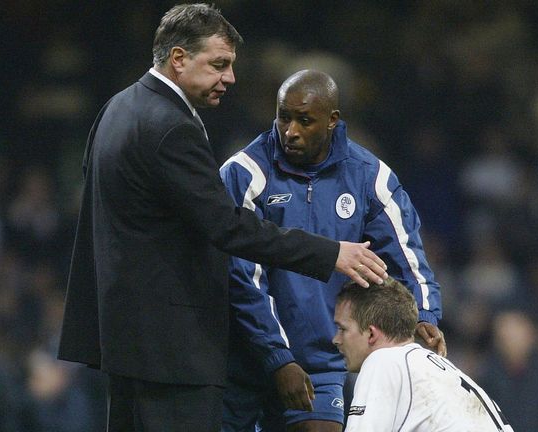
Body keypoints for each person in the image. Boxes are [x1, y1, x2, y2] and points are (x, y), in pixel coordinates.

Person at [56, 5, 387, 432]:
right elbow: (227, 226)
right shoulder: (171, 126)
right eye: (219, 64)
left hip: (125, 343)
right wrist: (329, 253)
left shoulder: (117, 108)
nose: (229, 78)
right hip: (174, 351)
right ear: (179, 59)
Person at [220, 69, 445, 432]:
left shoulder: (369, 177)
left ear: (331, 121)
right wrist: (278, 359)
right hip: (240, 359)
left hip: (322, 361)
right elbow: (242, 278)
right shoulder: (244, 174)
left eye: (304, 120)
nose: (290, 131)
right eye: (283, 117)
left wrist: (424, 316)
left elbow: (408, 257)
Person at [333, 278, 514, 432]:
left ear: (371, 334)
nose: (336, 339)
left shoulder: (383, 361)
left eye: (343, 329)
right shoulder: (436, 367)